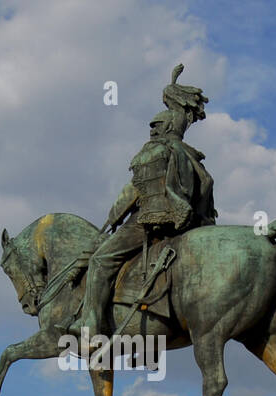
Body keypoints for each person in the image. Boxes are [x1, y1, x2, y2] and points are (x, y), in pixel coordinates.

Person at [75, 65, 215, 342]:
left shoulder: (154, 152)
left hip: (151, 223)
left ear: (162, 128)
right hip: (189, 227)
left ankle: (90, 326)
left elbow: (131, 195)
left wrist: (110, 221)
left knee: (101, 260)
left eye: (154, 127)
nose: (151, 132)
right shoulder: (193, 158)